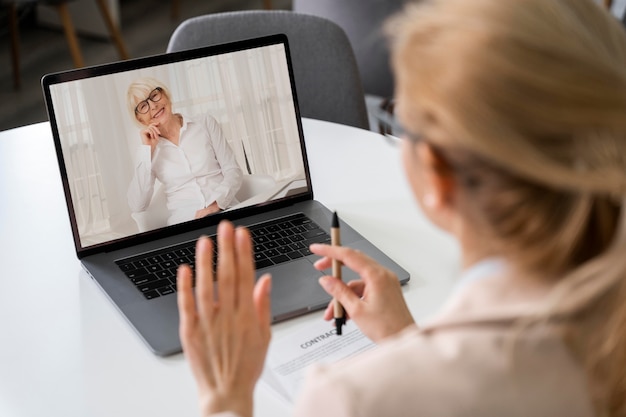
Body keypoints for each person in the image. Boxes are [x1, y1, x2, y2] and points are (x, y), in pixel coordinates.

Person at [176, 0, 626, 416]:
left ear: (438, 175)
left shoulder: (353, 399)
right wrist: (408, 342)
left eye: (399, 114)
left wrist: (227, 397)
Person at [126, 77, 242, 226]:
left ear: (165, 95)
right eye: (143, 106)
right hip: (186, 224)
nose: (153, 106)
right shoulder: (148, 152)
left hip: (227, 212)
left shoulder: (205, 123)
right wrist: (147, 151)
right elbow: (137, 206)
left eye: (154, 95)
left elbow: (233, 171)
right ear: (140, 119)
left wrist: (215, 205)